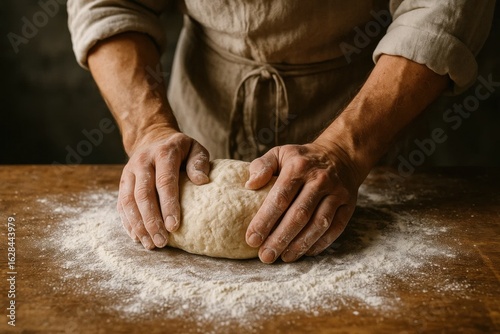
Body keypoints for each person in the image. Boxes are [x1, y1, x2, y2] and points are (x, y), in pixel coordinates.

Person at [67, 0, 495, 263]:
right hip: (202, 108)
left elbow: (440, 10)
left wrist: (345, 150)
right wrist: (149, 127)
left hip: (372, 110)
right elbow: (110, 3)